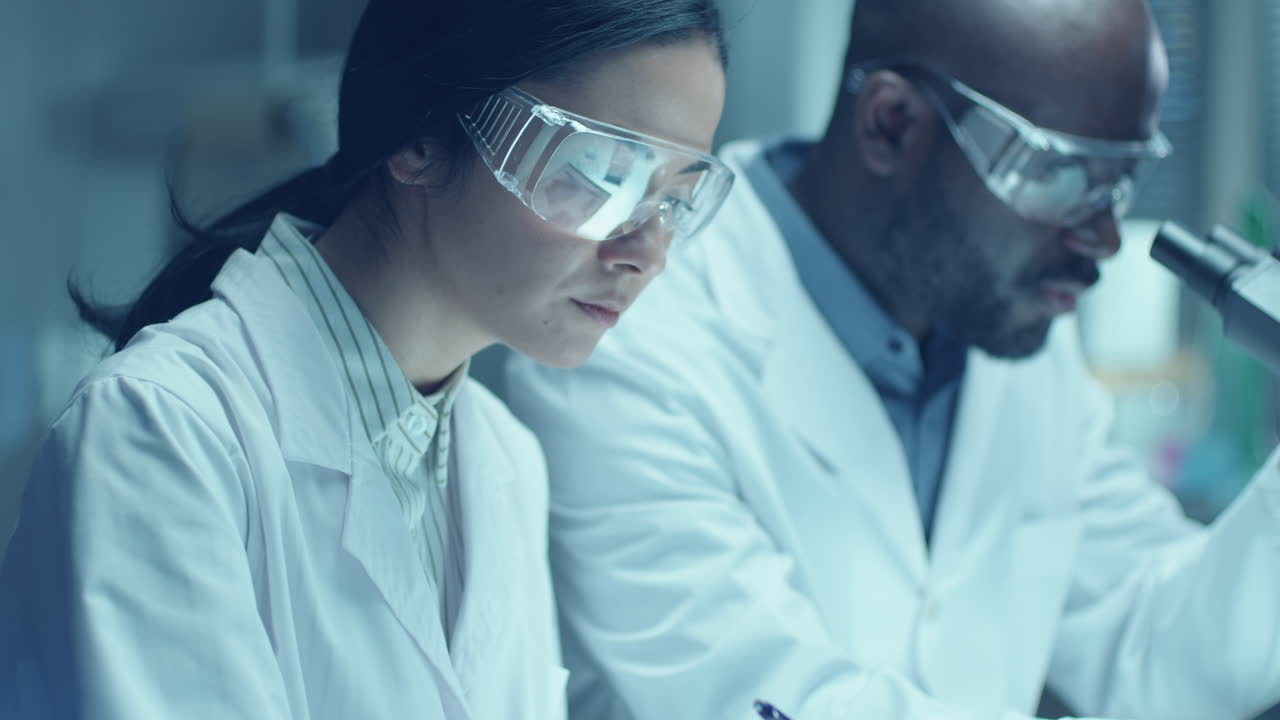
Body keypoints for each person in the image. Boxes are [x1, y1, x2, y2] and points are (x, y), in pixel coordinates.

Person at [504, 0, 1280, 718]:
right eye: (1063, 175)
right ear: (892, 124)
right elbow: (769, 697)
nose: (1106, 238)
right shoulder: (629, 336)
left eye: (1123, 182)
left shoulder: (1015, 335)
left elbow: (1164, 661)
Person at [0, 0, 733, 717]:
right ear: (420, 136)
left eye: (675, 200)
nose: (648, 253)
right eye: (604, 174)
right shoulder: (163, 433)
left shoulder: (507, 463)